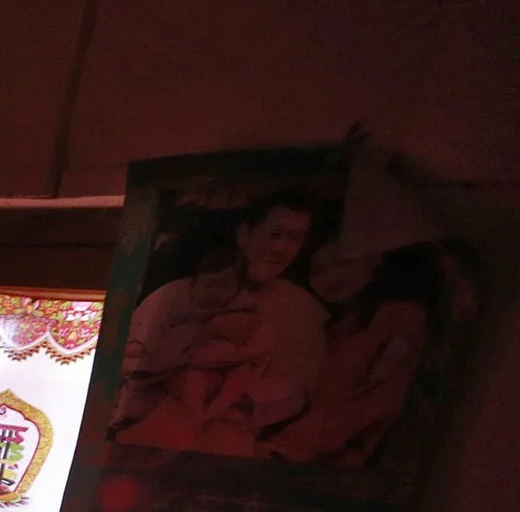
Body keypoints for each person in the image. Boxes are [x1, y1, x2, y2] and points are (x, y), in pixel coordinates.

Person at [113, 193, 328, 455]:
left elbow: (303, 386)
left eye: (293, 239)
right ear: (245, 234)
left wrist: (233, 397)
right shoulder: (175, 294)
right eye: (274, 234)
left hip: (231, 436)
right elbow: (127, 356)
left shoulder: (303, 309)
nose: (280, 248)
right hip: (153, 422)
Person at [257, 242, 436, 465]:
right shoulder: (334, 326)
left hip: (332, 455)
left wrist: (296, 443)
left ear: (373, 262)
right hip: (303, 447)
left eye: (344, 263)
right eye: (318, 270)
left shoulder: (401, 315)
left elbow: (385, 394)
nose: (332, 276)